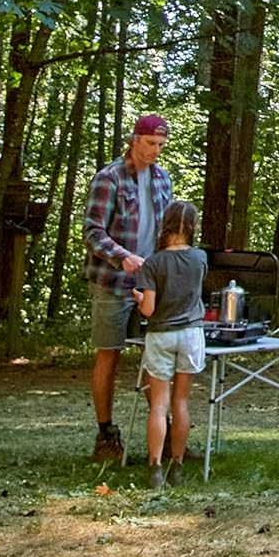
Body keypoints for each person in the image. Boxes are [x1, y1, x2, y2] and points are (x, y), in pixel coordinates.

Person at [83, 113, 174, 462]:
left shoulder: (162, 179)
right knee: (110, 353)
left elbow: (168, 231)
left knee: (156, 356)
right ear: (135, 140)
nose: (155, 151)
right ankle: (106, 435)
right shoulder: (109, 178)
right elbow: (92, 231)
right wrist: (122, 257)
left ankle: (163, 437)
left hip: (151, 283)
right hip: (112, 282)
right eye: (150, 143)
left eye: (161, 146)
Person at [133, 200, 208, 489]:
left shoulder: (153, 263)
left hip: (160, 334)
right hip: (191, 334)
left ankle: (154, 467)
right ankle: (177, 465)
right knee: (181, 401)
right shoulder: (200, 258)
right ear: (193, 228)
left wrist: (139, 298)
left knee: (159, 405)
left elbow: (149, 310)